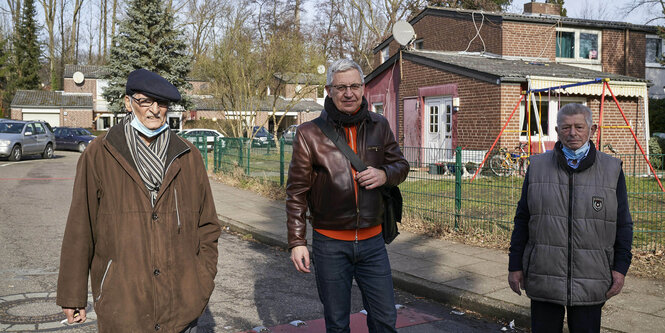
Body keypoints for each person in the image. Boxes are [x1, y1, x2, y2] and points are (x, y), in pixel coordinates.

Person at [56, 69, 221, 332]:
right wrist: (72, 294)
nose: (154, 110)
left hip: (181, 306)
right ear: (128, 103)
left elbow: (208, 226)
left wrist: (201, 282)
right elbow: (80, 226)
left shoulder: (188, 157)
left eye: (161, 103)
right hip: (123, 306)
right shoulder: (100, 153)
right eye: (145, 101)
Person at [286, 58, 410, 333]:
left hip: (373, 243)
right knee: (338, 323)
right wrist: (297, 241)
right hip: (330, 244)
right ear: (329, 90)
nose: (348, 93)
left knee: (384, 320)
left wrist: (383, 175)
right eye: (341, 87)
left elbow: (401, 166)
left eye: (354, 86)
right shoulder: (309, 134)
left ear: (363, 88)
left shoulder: (380, 124)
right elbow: (296, 191)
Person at [508, 103, 633, 333]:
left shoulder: (612, 169)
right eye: (565, 127)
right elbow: (523, 219)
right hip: (544, 273)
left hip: (592, 276)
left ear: (592, 129)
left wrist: (620, 268)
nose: (572, 133)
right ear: (557, 131)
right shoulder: (537, 167)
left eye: (579, 127)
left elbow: (623, 223)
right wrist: (515, 264)